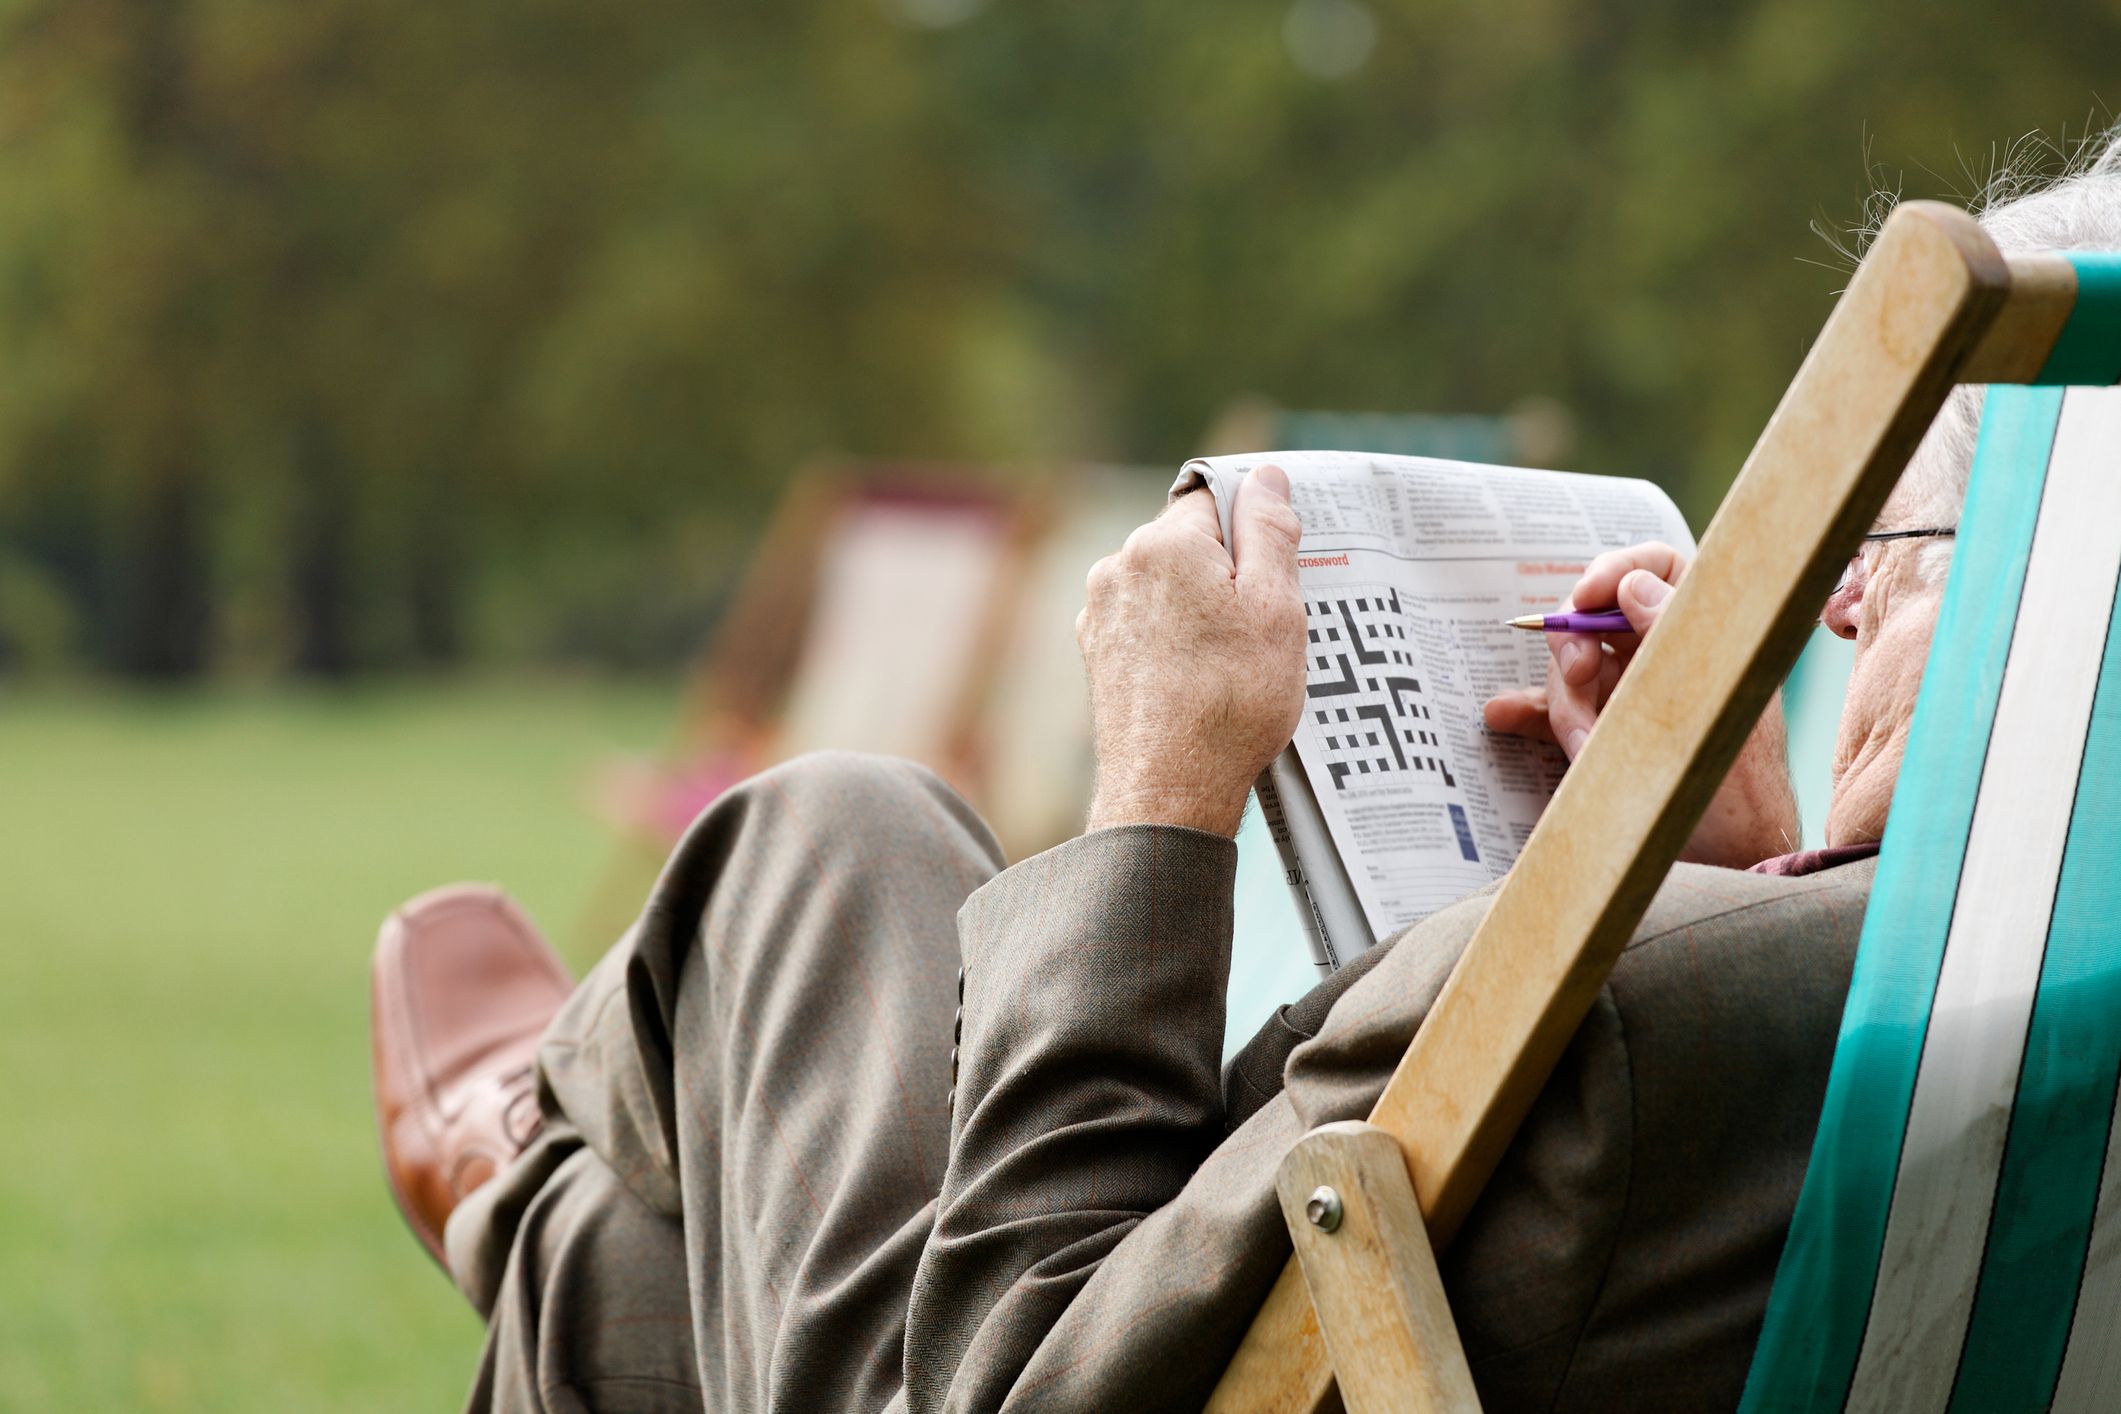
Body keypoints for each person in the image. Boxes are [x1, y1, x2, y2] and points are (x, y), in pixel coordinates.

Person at [370, 158, 2121, 1412]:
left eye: (1886, 548)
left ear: (2039, 601)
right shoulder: (1962, 1017)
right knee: (649, 1270)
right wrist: (1730, 869)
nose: (1834, 600)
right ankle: (546, 1179)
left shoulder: (1624, 1019)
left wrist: (1159, 796)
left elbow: (1003, 1366)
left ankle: (527, 1158)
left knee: (832, 835)